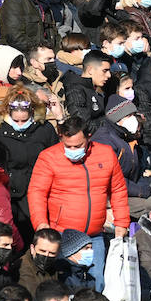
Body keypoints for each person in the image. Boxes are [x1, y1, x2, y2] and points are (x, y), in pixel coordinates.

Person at [28, 118, 130, 291]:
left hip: (94, 234)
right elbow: (37, 192)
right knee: (64, 282)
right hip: (62, 234)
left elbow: (118, 190)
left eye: (77, 146)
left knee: (97, 281)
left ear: (88, 138)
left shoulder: (105, 154)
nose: (72, 150)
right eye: (68, 146)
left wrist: (122, 223)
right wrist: (41, 224)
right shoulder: (49, 157)